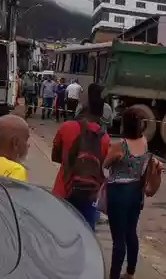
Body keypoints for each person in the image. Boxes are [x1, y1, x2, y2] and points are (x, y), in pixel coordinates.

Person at [103, 109, 155, 279]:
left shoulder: (120, 145)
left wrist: (113, 156)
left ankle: (114, 275)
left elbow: (106, 164)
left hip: (118, 191)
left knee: (118, 238)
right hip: (135, 191)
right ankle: (130, 272)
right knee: (131, 232)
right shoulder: (144, 141)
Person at [51, 91, 110, 229]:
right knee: (86, 237)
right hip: (90, 195)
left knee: (59, 233)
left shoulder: (66, 127)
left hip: (63, 190)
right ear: (101, 114)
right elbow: (104, 168)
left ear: (83, 108)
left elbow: (55, 157)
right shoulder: (105, 138)